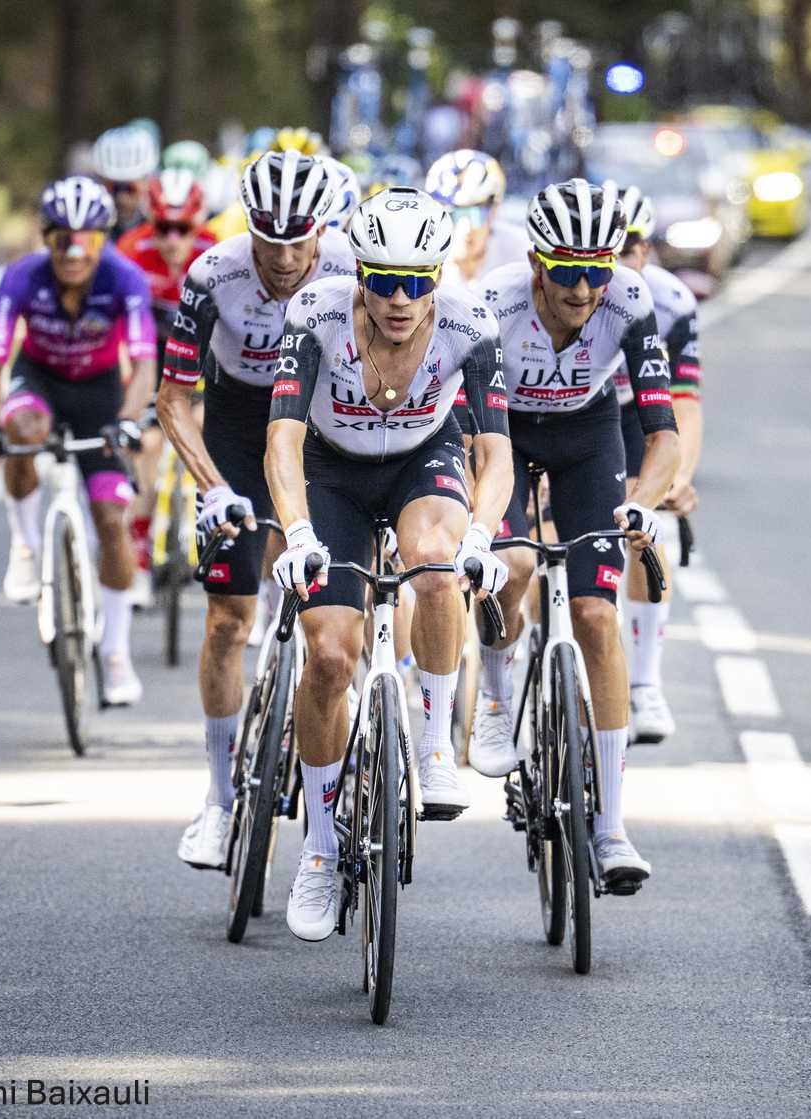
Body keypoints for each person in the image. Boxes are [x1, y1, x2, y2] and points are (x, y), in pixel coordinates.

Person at [264, 185, 513, 941]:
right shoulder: (315, 312)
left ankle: (437, 743)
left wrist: (484, 535)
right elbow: (283, 440)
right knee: (331, 661)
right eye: (385, 281)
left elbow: (495, 452)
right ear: (360, 273)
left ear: (437, 275)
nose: (401, 299)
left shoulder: (470, 321)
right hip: (334, 472)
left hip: (421, 462)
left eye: (417, 281)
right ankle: (316, 851)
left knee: (437, 564)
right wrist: (300, 533)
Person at [466, 179, 682, 891]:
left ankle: (613, 826)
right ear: (537, 264)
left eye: (600, 269)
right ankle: (496, 701)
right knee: (517, 564)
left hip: (590, 436)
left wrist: (643, 504)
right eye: (569, 272)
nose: (586, 288)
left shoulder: (629, 298)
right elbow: (469, 428)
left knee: (596, 615)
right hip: (506, 433)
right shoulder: (492, 303)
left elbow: (662, 433)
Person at [155, 150, 357, 871]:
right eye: (268, 240)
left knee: (339, 627)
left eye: (298, 239)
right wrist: (212, 486)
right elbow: (173, 398)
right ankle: (216, 798)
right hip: (240, 426)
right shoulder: (212, 273)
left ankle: (349, 744)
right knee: (226, 620)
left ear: (322, 229)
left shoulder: (351, 264)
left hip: (325, 424)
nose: (283, 257)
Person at [0, 177, 156, 703]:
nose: (74, 252)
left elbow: (144, 364)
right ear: (44, 237)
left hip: (100, 394)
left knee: (112, 523)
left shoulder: (125, 278)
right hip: (41, 382)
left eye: (88, 240)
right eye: (61, 240)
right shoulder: (22, 277)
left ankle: (116, 653)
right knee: (20, 433)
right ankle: (26, 545)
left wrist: (126, 418)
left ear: (104, 240)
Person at [611, 185, 703, 743]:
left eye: (631, 247)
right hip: (570, 408)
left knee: (647, 533)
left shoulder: (671, 303)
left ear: (646, 251)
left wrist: (678, 478)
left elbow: (684, 406)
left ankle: (645, 683)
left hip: (634, 416)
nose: (621, 260)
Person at [117, 168, 217, 590]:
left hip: (203, 351)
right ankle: (138, 556)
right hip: (150, 351)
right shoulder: (131, 251)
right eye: (164, 228)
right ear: (149, 222)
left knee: (204, 431)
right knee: (150, 450)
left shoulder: (214, 251)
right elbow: (118, 331)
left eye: (183, 229)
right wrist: (130, 389)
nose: (173, 239)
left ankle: (208, 528)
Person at [424, 149, 529, 289]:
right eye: (453, 214)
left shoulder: (522, 252)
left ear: (495, 210)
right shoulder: (421, 263)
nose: (466, 227)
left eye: (477, 213)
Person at [92, 126, 158, 237]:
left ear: (147, 182)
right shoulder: (92, 224)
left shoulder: (162, 227)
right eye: (114, 187)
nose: (122, 198)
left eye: (131, 188)